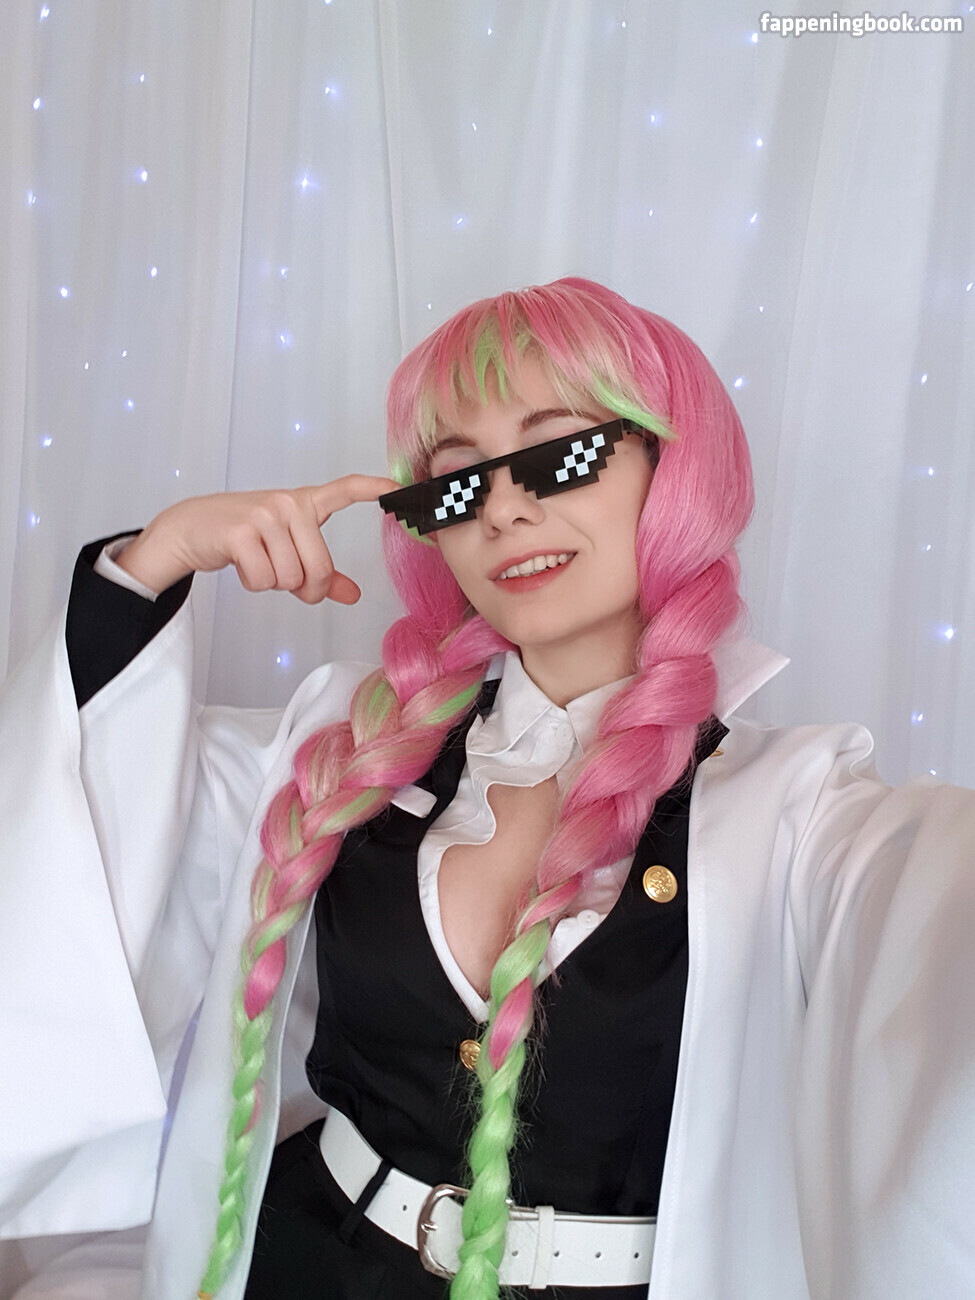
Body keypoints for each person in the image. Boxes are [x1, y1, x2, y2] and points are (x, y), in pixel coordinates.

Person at [1, 276, 973, 1300]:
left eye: (560, 454)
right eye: (457, 482)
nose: (504, 508)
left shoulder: (795, 811)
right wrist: (152, 563)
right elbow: (91, 830)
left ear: (673, 471)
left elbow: (931, 916)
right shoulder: (343, 744)